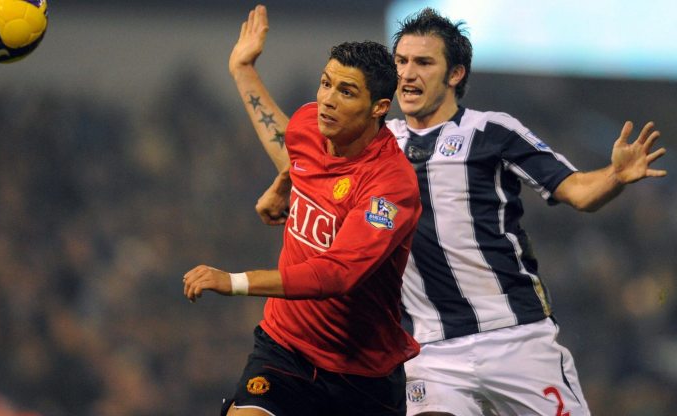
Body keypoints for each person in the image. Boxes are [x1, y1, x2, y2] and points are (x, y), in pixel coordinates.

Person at [228, 5, 667, 416]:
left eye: (423, 63)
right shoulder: (376, 143)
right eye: (400, 62)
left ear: (455, 73)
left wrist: (614, 175)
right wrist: (246, 76)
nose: (407, 74)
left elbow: (578, 191)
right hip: (432, 351)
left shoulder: (492, 131)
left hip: (516, 337)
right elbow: (299, 148)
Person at [184, 24, 424, 415]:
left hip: (361, 376)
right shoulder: (310, 122)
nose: (327, 100)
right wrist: (243, 70)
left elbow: (336, 274)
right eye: (325, 83)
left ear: (379, 106)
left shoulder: (391, 186)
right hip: (285, 350)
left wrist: (234, 281)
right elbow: (292, 146)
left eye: (346, 92)